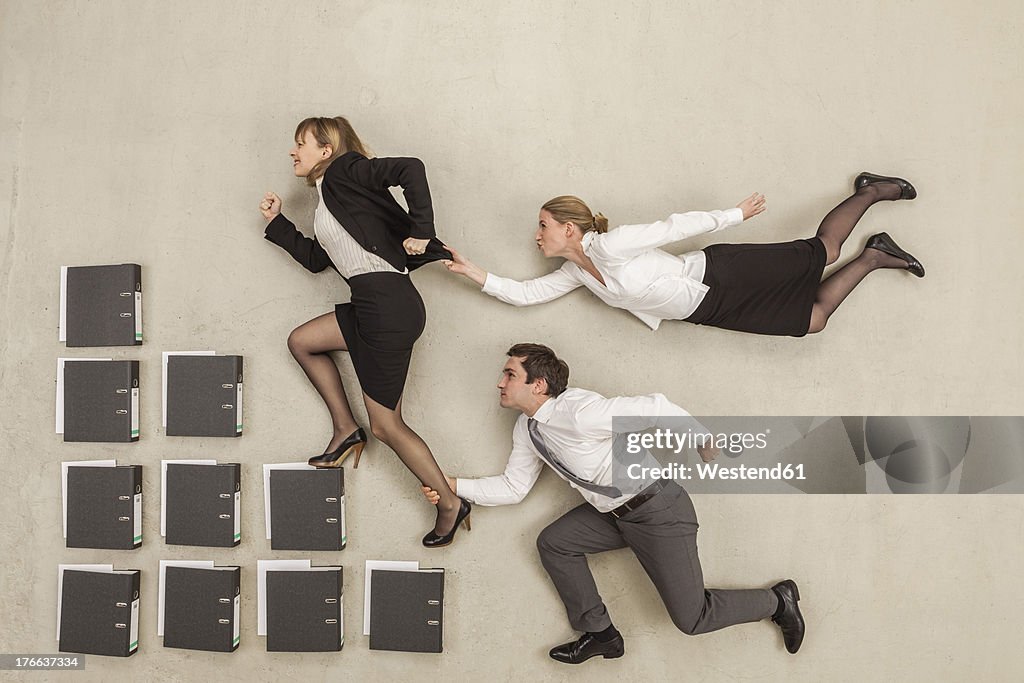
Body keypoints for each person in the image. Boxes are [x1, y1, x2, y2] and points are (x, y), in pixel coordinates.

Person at [422, 343, 805, 663]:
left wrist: (701, 439)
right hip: (613, 515)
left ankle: (777, 601)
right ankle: (601, 634)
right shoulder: (529, 427)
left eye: (509, 375)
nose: (499, 383)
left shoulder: (579, 411)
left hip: (657, 511)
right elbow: (514, 487)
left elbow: (655, 407)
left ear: (538, 385)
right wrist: (450, 484)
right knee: (555, 542)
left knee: (692, 619)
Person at [259, 116, 470, 547]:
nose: (292, 151)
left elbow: (411, 167)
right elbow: (320, 260)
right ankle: (344, 429)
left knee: (387, 426)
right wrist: (279, 222)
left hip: (388, 306)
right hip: (370, 302)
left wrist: (421, 232)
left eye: (301, 143)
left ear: (326, 150)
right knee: (302, 341)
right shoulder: (329, 200)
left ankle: (449, 503)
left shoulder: (347, 170)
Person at [443, 173, 923, 335]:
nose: (537, 235)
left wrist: (733, 215)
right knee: (811, 322)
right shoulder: (577, 273)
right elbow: (526, 294)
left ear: (570, 228)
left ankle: (871, 190)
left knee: (822, 251)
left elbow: (671, 228)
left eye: (543, 226)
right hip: (707, 311)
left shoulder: (609, 246)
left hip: (720, 275)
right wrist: (471, 272)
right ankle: (875, 256)